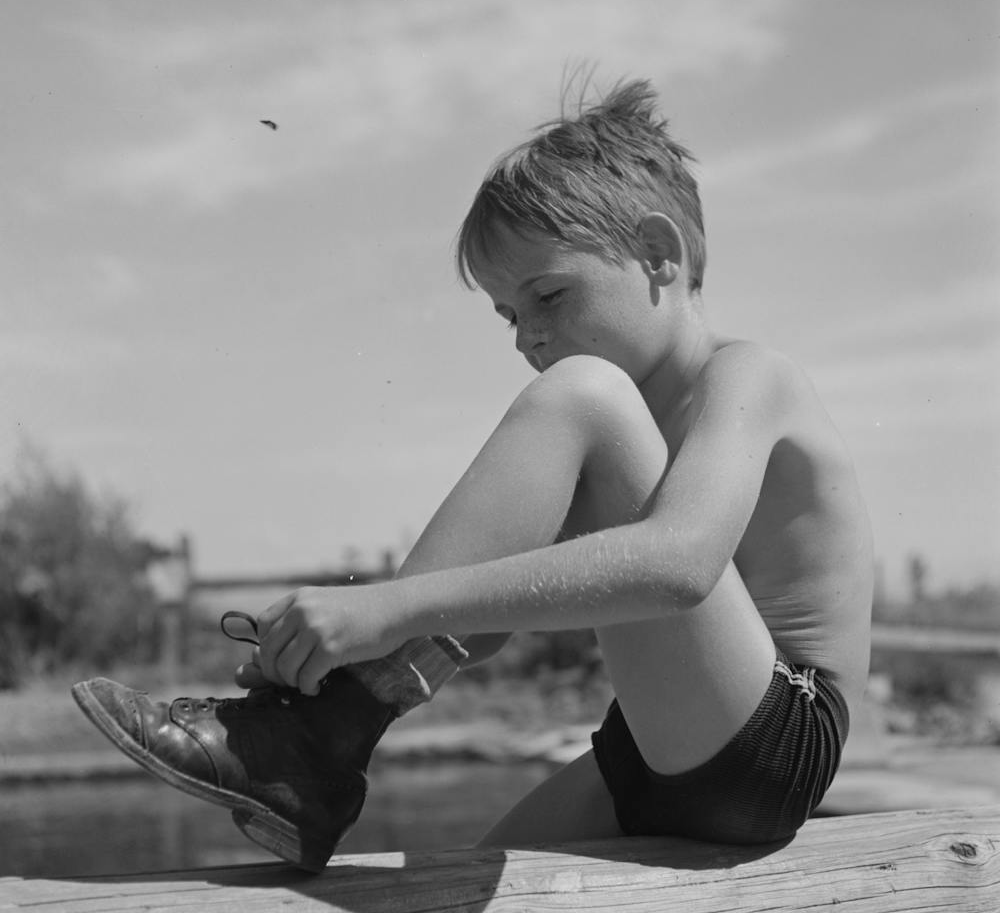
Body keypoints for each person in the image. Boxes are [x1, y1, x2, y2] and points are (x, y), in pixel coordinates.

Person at [73, 78, 873, 872]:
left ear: (659, 256)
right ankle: (312, 746)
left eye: (548, 296)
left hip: (775, 745)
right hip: (652, 746)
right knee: (449, 887)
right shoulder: (621, 450)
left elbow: (681, 565)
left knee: (582, 393)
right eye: (509, 316)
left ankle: (309, 744)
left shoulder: (747, 378)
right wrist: (335, 653)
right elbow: (478, 630)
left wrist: (387, 609)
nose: (527, 337)